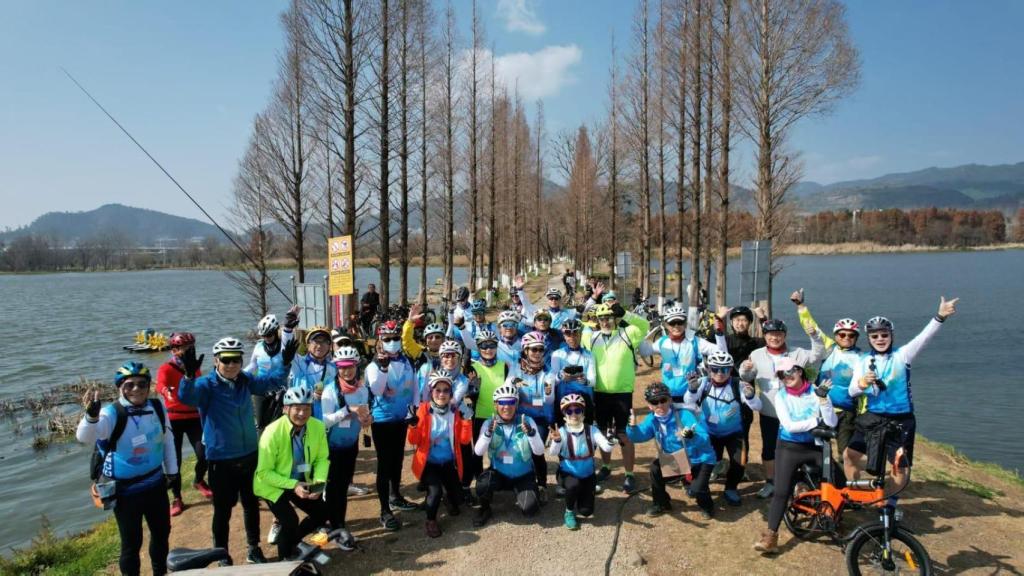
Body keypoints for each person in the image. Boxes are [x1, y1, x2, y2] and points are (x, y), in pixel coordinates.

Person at [179, 336, 297, 565]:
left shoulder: (244, 380)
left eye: (237, 359)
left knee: (251, 505)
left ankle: (253, 548)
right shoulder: (206, 385)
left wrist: (285, 362)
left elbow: (270, 382)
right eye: (226, 359)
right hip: (220, 460)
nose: (232, 364)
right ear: (216, 360)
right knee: (222, 511)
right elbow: (187, 397)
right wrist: (187, 376)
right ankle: (221, 554)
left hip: (249, 455)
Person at [847, 297, 958, 494]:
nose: (880, 339)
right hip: (873, 417)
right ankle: (853, 493)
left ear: (891, 335)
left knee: (900, 466)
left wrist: (940, 316)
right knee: (850, 455)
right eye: (875, 336)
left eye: (884, 334)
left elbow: (924, 337)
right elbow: (851, 391)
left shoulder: (903, 355)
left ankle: (888, 503)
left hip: (901, 419)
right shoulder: (862, 361)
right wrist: (863, 383)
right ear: (869, 339)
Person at [77, 362, 176, 576]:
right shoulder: (111, 414)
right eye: (129, 385)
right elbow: (84, 437)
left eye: (142, 384)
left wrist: (173, 471)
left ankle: (161, 573)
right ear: (120, 387)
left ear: (149, 386)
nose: (136, 389)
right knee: (132, 543)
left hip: (155, 484)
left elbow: (168, 440)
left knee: (161, 533)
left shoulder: (157, 407)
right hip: (125, 492)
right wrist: (91, 417)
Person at [753, 359, 837, 554]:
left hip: (815, 446)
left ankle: (834, 518)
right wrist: (816, 420)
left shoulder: (817, 391)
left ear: (799, 371)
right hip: (789, 447)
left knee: (836, 483)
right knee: (781, 491)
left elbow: (831, 422)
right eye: (782, 375)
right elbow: (790, 426)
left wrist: (824, 400)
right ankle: (771, 536)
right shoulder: (781, 396)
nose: (786, 377)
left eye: (790, 372)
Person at [738, 314, 825, 499]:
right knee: (769, 448)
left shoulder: (797, 353)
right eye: (770, 334)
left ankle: (799, 482)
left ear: (784, 335)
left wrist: (815, 336)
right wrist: (744, 370)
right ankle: (771, 482)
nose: (774, 337)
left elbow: (819, 354)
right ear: (765, 335)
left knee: (798, 448)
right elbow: (747, 377)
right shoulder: (757, 354)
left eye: (778, 334)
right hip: (769, 410)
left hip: (796, 411)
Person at [791, 290, 865, 480]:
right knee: (819, 450)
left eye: (851, 335)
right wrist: (800, 306)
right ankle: (823, 482)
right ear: (836, 335)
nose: (846, 338)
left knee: (846, 454)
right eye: (842, 334)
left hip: (847, 413)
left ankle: (849, 488)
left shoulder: (863, 358)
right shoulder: (829, 347)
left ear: (856, 337)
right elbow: (811, 327)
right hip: (822, 408)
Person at [254, 385, 330, 561]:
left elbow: (322, 459)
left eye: (306, 408)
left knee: (322, 512)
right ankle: (284, 559)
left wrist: (319, 484)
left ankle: (291, 543)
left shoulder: (317, 427)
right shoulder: (272, 432)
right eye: (297, 408)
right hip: (273, 484)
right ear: (286, 409)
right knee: (289, 520)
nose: (302, 414)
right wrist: (293, 485)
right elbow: (264, 472)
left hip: (300, 480)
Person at [582, 302, 650, 494]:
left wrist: (625, 313)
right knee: (603, 432)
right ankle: (606, 467)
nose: (605, 321)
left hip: (622, 394)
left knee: (623, 434)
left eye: (609, 318)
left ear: (615, 319)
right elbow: (581, 327)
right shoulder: (592, 338)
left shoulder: (627, 335)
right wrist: (589, 312)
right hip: (600, 393)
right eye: (602, 318)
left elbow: (644, 326)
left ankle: (629, 474)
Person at [627, 382, 717, 519]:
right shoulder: (652, 419)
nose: (659, 405)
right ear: (649, 404)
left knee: (697, 489)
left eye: (663, 400)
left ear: (669, 399)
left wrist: (692, 436)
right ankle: (661, 503)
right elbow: (639, 436)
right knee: (655, 469)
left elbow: (705, 440)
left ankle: (707, 506)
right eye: (654, 402)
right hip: (678, 459)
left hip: (700, 458)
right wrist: (632, 428)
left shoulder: (684, 415)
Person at [683, 351, 762, 506]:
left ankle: (731, 488)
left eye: (724, 369)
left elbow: (758, 406)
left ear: (731, 370)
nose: (719, 373)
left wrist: (751, 396)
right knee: (706, 461)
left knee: (740, 462)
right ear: (708, 369)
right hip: (709, 433)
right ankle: (699, 484)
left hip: (734, 433)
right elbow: (688, 401)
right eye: (715, 369)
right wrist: (692, 389)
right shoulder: (703, 383)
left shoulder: (737, 384)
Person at [406, 370, 474, 538]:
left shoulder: (455, 411)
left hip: (449, 462)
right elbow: (414, 441)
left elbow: (465, 441)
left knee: (459, 499)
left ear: (451, 393)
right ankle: (431, 520)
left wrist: (466, 420)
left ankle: (448, 496)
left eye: (446, 390)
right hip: (429, 463)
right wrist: (413, 425)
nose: (442, 394)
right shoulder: (422, 410)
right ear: (431, 392)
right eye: (438, 390)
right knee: (434, 492)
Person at [320, 346, 375, 551]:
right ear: (337, 368)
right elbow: (324, 422)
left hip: (350, 446)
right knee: (332, 489)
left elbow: (364, 417)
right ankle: (333, 527)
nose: (347, 371)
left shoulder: (362, 389)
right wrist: (347, 410)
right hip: (331, 447)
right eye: (342, 367)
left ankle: (339, 526)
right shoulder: (330, 391)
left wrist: (367, 419)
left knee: (342, 489)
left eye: (350, 366)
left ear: (356, 366)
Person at [366, 320, 420, 530]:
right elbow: (378, 390)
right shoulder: (374, 365)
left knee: (398, 460)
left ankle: (395, 495)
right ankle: (384, 510)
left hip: (401, 418)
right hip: (382, 420)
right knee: (385, 464)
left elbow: (414, 385)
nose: (392, 342)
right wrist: (384, 369)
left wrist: (414, 408)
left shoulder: (406, 361)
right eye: (387, 339)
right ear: (380, 341)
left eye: (396, 338)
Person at [472, 384, 546, 527]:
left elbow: (539, 451)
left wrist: (531, 434)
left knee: (530, 510)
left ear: (516, 404)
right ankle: (485, 508)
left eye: (511, 402)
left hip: (523, 475)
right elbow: (478, 451)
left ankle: (530, 490)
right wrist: (487, 434)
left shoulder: (527, 421)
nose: (507, 407)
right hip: (499, 473)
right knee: (483, 484)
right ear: (495, 405)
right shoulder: (489, 423)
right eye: (502, 403)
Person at [156, 332, 211, 517]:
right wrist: (167, 391)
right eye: (186, 348)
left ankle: (198, 480)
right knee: (175, 460)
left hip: (194, 416)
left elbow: (199, 387)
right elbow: (160, 385)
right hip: (174, 419)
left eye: (192, 347)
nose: (190, 351)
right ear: (175, 349)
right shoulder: (167, 368)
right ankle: (177, 497)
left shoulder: (194, 366)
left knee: (204, 453)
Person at [548, 394, 613, 530]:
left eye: (577, 410)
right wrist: (557, 441)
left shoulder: (592, 430)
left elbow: (606, 446)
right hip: (568, 474)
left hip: (588, 475)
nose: (574, 414)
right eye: (569, 411)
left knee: (586, 512)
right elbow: (553, 453)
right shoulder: (561, 432)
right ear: (564, 414)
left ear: (583, 412)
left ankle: (580, 494)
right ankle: (569, 511)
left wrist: (611, 439)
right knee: (573, 485)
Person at [506, 331, 557, 493]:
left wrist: (550, 421)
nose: (537, 353)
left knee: (536, 451)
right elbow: (509, 390)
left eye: (541, 350)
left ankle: (541, 484)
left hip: (540, 418)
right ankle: (522, 481)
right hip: (519, 417)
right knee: (519, 450)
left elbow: (548, 399)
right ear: (525, 351)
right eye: (533, 349)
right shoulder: (516, 369)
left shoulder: (549, 373)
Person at [717, 305, 767, 465]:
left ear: (750, 323)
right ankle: (717, 464)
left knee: (743, 433)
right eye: (737, 320)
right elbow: (711, 336)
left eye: (744, 320)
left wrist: (763, 319)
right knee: (718, 430)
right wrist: (719, 318)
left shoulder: (756, 342)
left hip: (745, 394)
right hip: (723, 392)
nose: (740, 323)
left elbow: (772, 338)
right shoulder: (725, 340)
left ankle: (740, 467)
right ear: (731, 322)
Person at [656, 303, 727, 406]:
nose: (676, 326)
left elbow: (722, 352)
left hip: (691, 394)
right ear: (666, 325)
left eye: (680, 322)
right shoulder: (662, 342)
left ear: (685, 324)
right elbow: (643, 349)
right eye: (672, 323)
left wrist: (719, 329)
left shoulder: (695, 341)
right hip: (668, 396)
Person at [247, 308, 299, 434]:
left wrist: (288, 324)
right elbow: (252, 366)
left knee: (279, 424)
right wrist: (239, 375)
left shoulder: (283, 346)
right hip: (260, 388)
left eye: (269, 334)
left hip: (280, 388)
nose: (267, 338)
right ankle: (262, 449)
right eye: (264, 335)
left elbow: (288, 335)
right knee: (260, 424)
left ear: (276, 332)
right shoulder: (258, 347)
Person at [288, 325, 337, 421]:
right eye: (316, 341)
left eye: (324, 341)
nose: (319, 345)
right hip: (302, 417)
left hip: (326, 418)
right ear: (308, 344)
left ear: (329, 346)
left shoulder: (334, 367)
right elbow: (287, 347)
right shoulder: (299, 363)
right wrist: (287, 329)